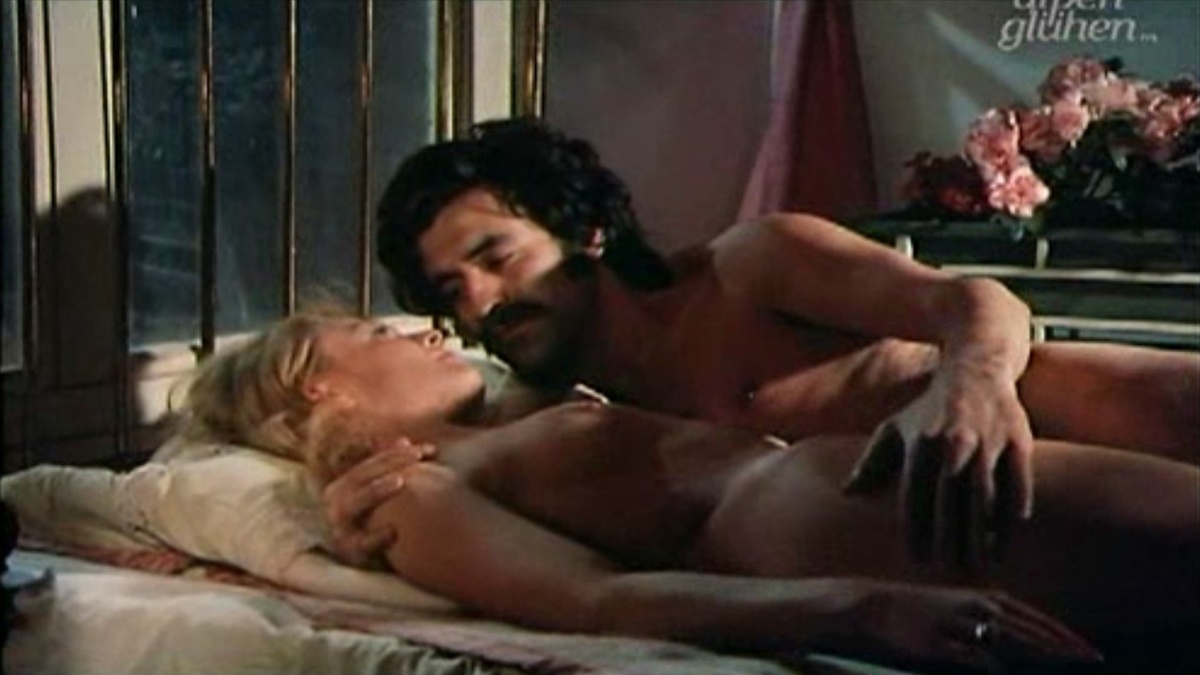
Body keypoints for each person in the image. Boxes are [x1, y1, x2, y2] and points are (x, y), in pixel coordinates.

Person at [342, 117, 1200, 569]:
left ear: (588, 231)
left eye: (495, 258)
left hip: (1090, 400)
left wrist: (971, 386)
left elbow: (976, 299)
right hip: (1024, 517)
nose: (479, 301)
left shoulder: (746, 266)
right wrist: (351, 526)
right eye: (449, 291)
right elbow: (427, 481)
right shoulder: (555, 416)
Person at [178, 312, 1199, 673]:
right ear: (320, 385)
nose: (429, 330)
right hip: (822, 525)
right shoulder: (409, 492)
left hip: (848, 481)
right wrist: (865, 607)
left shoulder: (510, 412)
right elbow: (592, 601)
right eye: (379, 331)